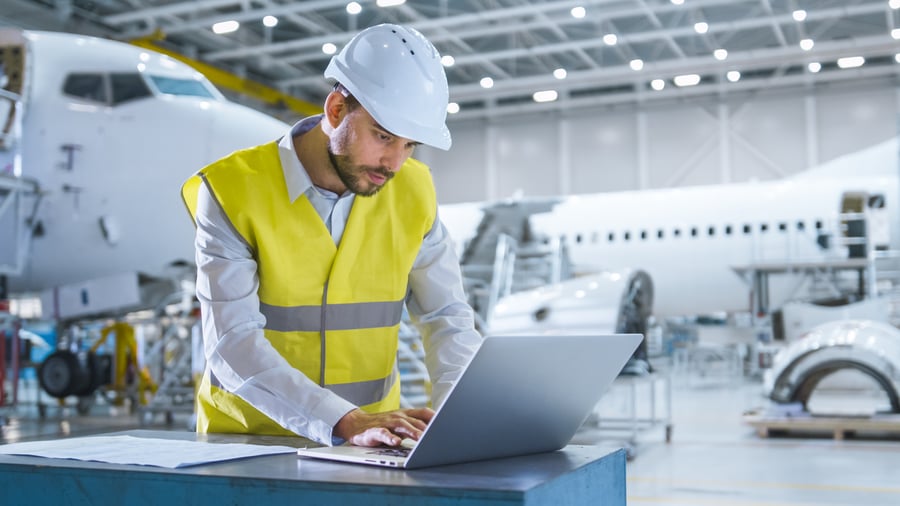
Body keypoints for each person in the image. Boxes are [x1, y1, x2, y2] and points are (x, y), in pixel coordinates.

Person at [180, 24, 482, 448]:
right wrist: (344, 420)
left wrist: (460, 417)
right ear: (337, 109)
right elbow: (232, 343)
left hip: (376, 448)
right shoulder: (232, 192)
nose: (394, 163)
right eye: (383, 136)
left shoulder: (414, 191)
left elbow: (447, 318)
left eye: (410, 144)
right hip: (252, 447)